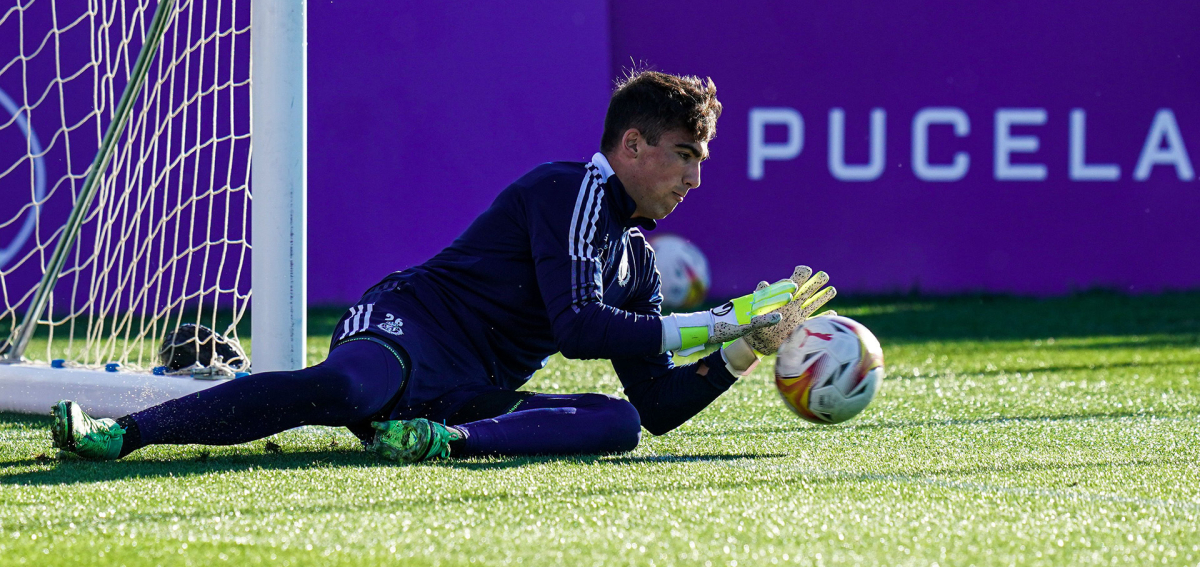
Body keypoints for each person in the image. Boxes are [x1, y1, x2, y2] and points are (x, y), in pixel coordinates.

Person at [50, 71, 835, 463]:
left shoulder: (633, 258)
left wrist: (741, 350)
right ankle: (123, 433)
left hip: (469, 385)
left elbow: (658, 403)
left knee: (619, 422)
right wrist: (721, 316)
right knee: (346, 387)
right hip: (411, 326)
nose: (695, 178)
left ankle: (440, 438)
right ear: (632, 146)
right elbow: (576, 324)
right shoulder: (569, 189)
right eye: (685, 156)